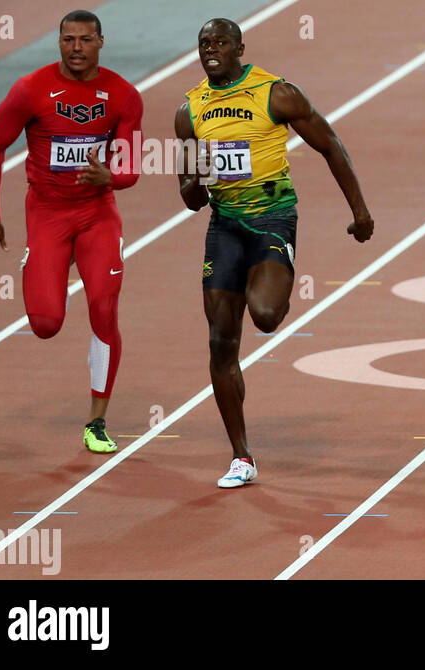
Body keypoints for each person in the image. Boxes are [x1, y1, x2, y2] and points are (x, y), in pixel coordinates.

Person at [175, 18, 374, 488]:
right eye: (204, 43)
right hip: (223, 227)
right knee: (221, 343)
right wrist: (198, 180)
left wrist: (360, 211)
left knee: (264, 316)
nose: (211, 49)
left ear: (240, 47)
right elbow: (187, 196)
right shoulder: (190, 110)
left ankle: (263, 279)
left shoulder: (276, 92)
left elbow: (330, 145)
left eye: (221, 42)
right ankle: (241, 456)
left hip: (271, 219)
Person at [0, 10, 142, 454]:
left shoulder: (123, 96)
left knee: (104, 307)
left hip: (97, 214)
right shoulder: (30, 89)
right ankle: (43, 259)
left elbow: (131, 164)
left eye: (85, 40)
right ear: (59, 42)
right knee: (45, 324)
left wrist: (113, 179)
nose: (76, 48)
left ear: (101, 42)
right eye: (68, 40)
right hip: (46, 212)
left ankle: (96, 422)